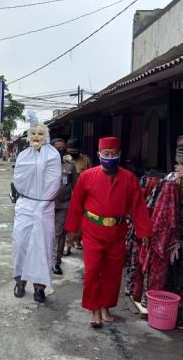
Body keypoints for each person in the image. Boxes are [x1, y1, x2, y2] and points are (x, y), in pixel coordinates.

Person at [65, 136, 152, 327]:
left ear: (119, 155)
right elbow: (76, 204)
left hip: (118, 231)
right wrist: (72, 229)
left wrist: (144, 231)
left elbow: (138, 207)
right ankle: (94, 308)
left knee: (112, 272)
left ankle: (105, 305)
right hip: (92, 230)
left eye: (113, 154)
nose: (110, 157)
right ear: (99, 154)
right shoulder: (87, 176)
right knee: (93, 270)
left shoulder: (129, 178)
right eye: (106, 154)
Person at [12, 123, 61, 303]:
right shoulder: (23, 155)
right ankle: (20, 282)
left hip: (45, 206)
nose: (36, 137)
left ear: (46, 136)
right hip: (24, 204)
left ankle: (39, 287)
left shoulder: (53, 155)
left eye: (40, 133)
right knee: (20, 245)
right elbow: (18, 179)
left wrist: (42, 204)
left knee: (42, 247)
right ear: (28, 136)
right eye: (33, 133)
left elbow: (54, 182)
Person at [50, 138, 78, 275]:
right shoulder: (45, 165)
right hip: (46, 205)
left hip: (64, 205)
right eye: (57, 148)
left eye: (62, 148)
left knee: (59, 233)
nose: (60, 150)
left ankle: (56, 261)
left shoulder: (69, 166)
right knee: (45, 233)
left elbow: (76, 187)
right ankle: (44, 258)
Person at [63, 138, 92, 252]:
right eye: (70, 149)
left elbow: (91, 177)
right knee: (68, 219)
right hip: (68, 194)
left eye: (74, 149)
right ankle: (68, 245)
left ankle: (78, 240)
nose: (72, 151)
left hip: (82, 195)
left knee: (81, 219)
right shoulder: (64, 160)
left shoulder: (85, 160)